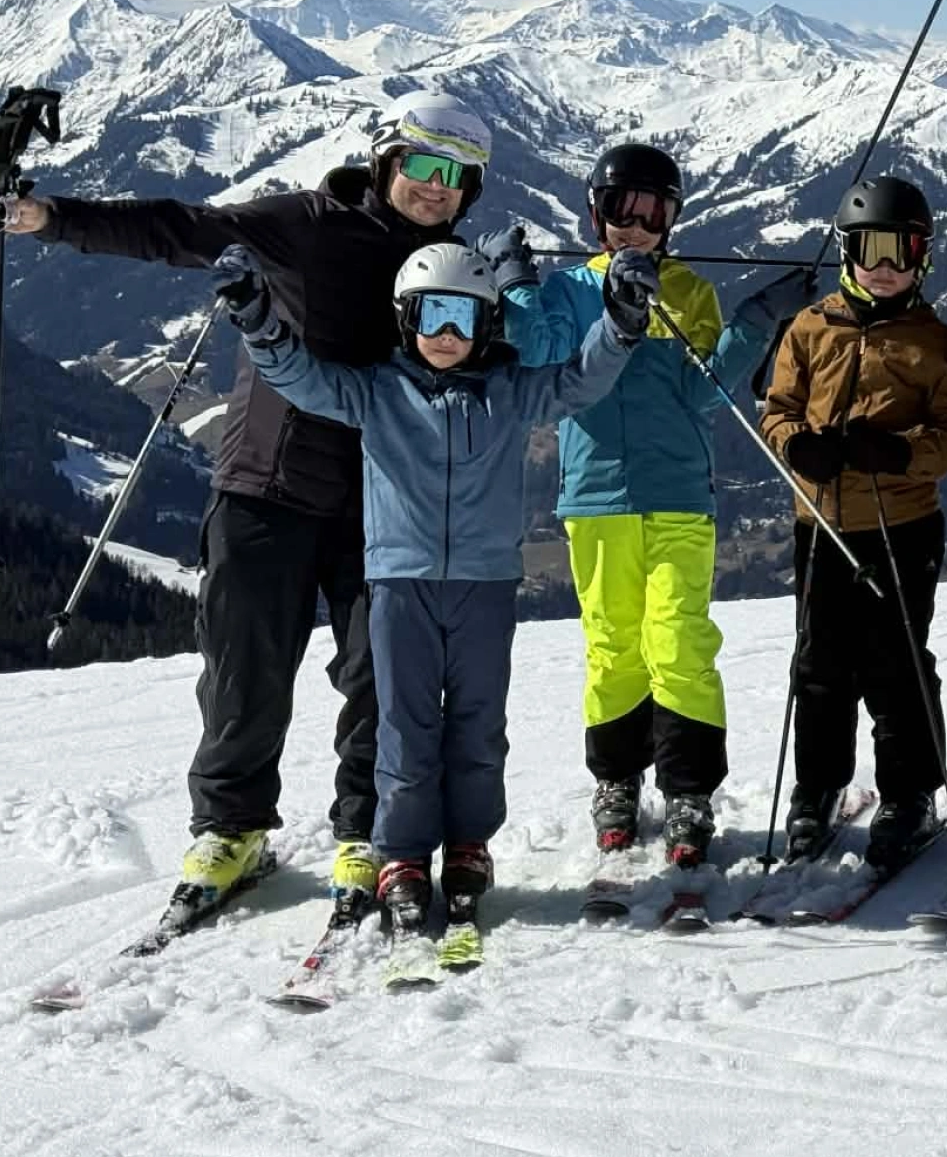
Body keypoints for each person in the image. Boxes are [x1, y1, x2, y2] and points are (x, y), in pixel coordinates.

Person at [0, 90, 492, 923]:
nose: (439, 186)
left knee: (382, 677)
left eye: (459, 176)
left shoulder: (457, 268)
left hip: (385, 504)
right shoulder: (305, 224)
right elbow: (180, 228)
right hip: (265, 488)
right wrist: (47, 216)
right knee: (242, 671)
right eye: (426, 165)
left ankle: (365, 832)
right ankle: (232, 829)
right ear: (388, 159)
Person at [223, 242, 648, 940]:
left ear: (487, 324)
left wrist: (621, 322)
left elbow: (578, 381)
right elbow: (302, 379)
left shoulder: (509, 390)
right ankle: (404, 851)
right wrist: (258, 319)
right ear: (405, 318)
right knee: (405, 724)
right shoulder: (376, 390)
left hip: (485, 584)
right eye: (432, 315)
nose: (447, 333)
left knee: (478, 724)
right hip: (400, 583)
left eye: (463, 317)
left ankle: (469, 842)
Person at [501, 144, 784, 867]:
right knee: (612, 644)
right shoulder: (572, 291)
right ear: (594, 216)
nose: (634, 226)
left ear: (672, 219)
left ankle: (688, 788)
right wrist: (517, 284)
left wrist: (753, 323)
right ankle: (618, 777)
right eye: (620, 210)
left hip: (678, 493)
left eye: (651, 212)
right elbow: (538, 354)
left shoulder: (687, 291)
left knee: (678, 640)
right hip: (595, 498)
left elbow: (702, 392)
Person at [760, 178, 947, 871]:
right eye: (869, 248)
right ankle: (817, 785)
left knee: (896, 661)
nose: (883, 266)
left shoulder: (934, 342)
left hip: (902, 523)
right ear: (845, 251)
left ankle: (909, 792)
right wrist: (796, 446)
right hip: (821, 522)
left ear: (922, 258)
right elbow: (778, 409)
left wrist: (901, 453)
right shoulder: (810, 327)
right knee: (820, 661)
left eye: (899, 250)